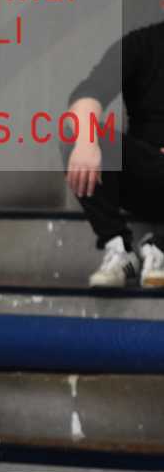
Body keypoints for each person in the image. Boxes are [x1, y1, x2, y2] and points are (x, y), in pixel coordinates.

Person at [63, 19, 164, 288]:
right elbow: (88, 94)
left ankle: (159, 250)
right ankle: (120, 249)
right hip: (148, 173)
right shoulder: (141, 43)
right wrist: (86, 142)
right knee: (77, 131)